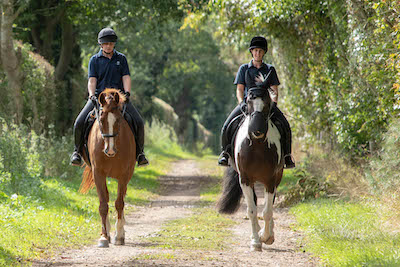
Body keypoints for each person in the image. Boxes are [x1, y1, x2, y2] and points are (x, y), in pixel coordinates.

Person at [70, 27, 149, 166]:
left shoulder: (121, 58)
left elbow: (126, 77)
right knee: (79, 122)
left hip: (119, 98)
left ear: (114, 44)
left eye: (111, 44)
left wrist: (127, 93)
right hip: (99, 98)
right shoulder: (94, 60)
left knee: (139, 122)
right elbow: (92, 80)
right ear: (100, 44)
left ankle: (140, 153)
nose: (108, 46)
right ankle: (76, 152)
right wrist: (91, 95)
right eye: (106, 43)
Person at [218, 36, 295, 169]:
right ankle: (225, 153)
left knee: (285, 125)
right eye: (255, 51)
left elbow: (274, 90)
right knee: (227, 125)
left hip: (265, 105)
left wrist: (273, 103)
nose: (257, 53)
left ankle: (287, 156)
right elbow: (239, 89)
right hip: (248, 104)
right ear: (251, 52)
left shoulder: (270, 70)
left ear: (264, 52)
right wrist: (241, 102)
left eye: (260, 51)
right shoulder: (244, 69)